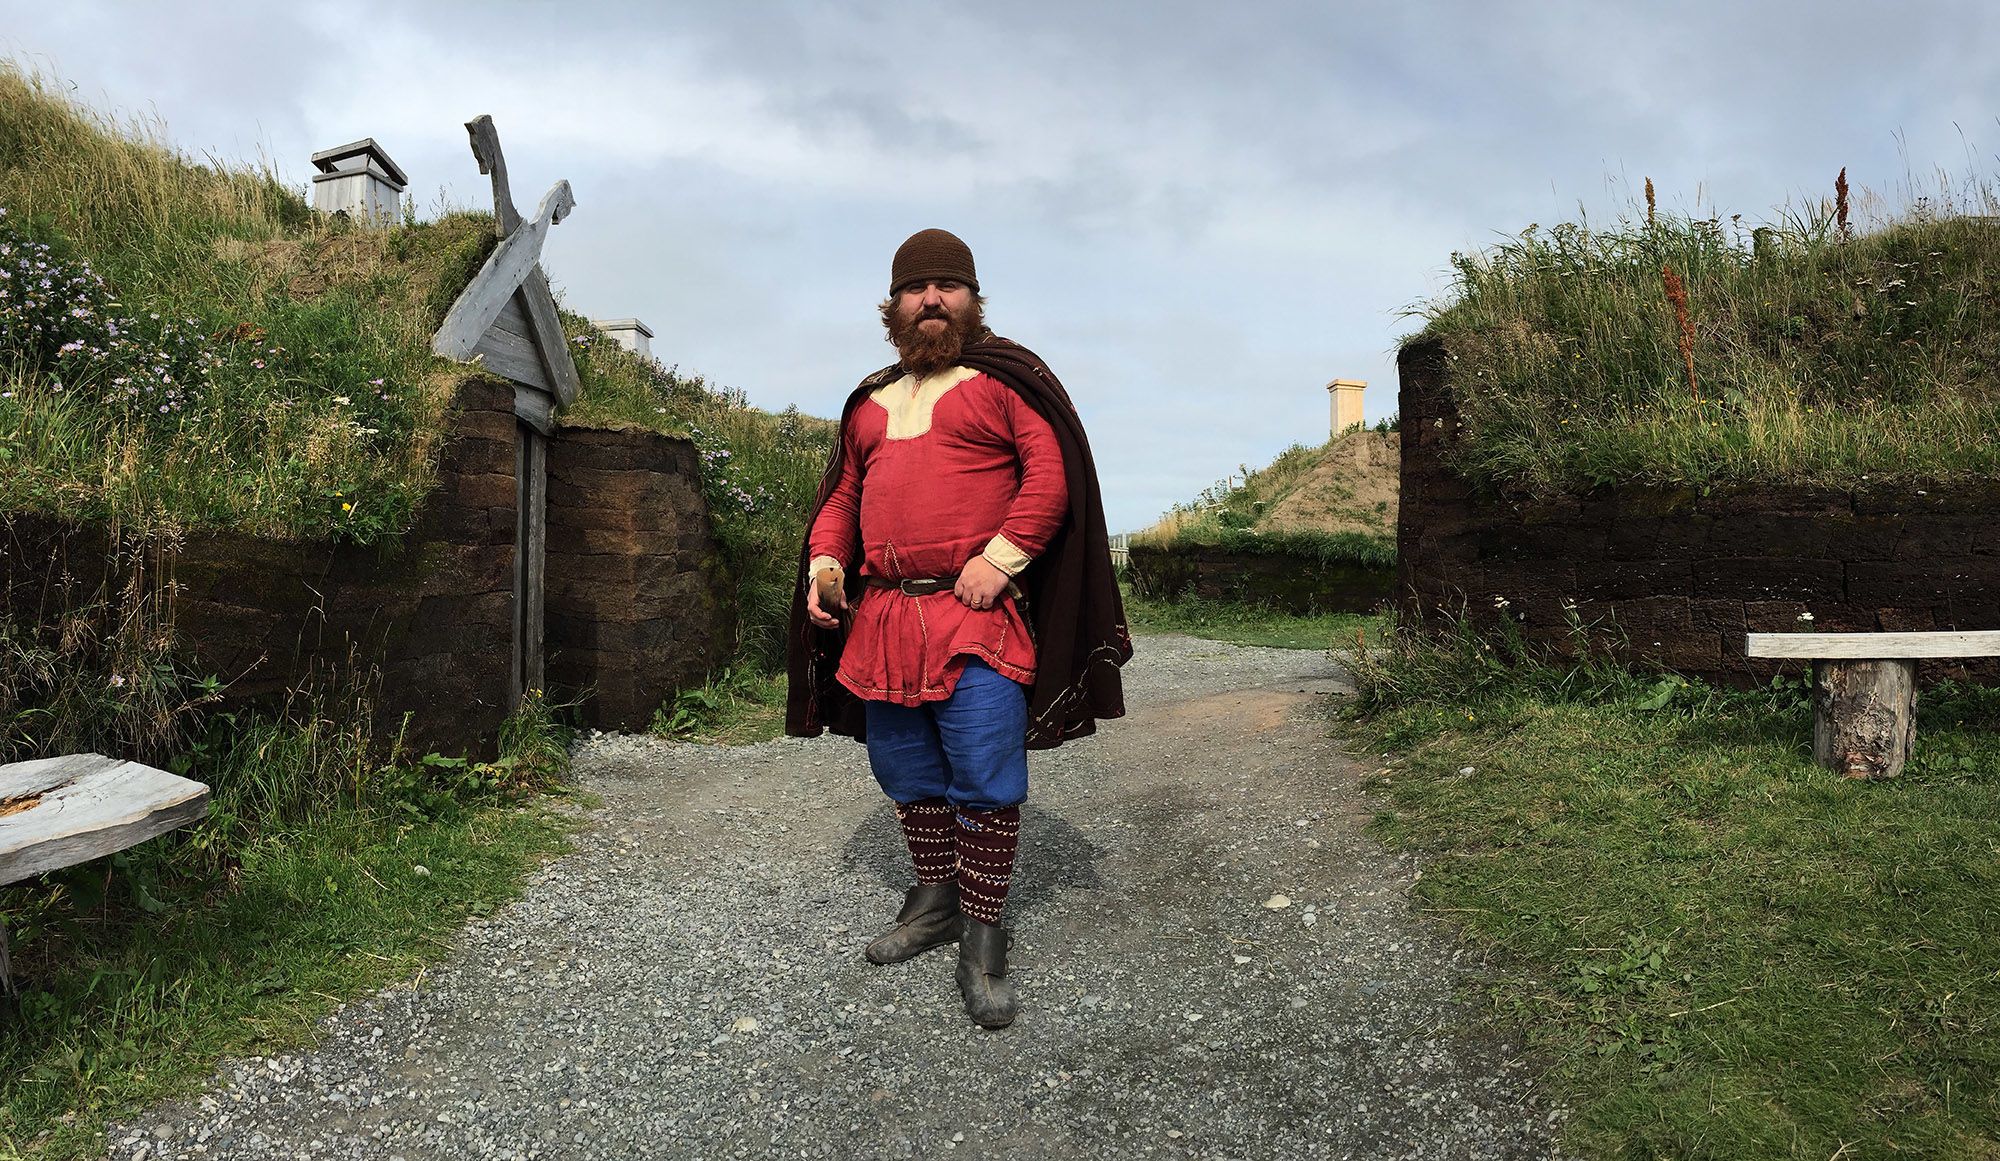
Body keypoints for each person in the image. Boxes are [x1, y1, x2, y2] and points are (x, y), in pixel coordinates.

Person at [785, 228, 1131, 1029]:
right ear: (894, 306)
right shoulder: (870, 401)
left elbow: (1049, 477)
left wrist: (1001, 560)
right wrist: (826, 564)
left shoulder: (1003, 381)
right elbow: (842, 496)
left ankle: (982, 933)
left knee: (984, 772)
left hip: (975, 616)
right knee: (904, 769)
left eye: (948, 285)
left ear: (974, 299)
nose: (932, 298)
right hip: (884, 618)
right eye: (916, 288)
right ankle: (937, 901)